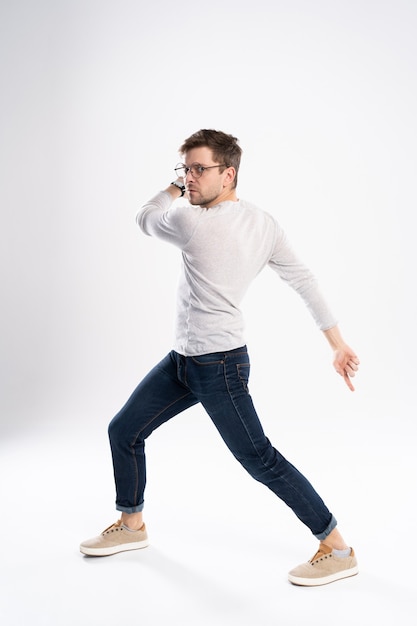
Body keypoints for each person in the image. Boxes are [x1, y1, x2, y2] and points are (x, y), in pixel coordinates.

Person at [80, 129, 360, 586]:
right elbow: (304, 280)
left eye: (198, 170)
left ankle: (338, 547)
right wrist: (337, 343)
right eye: (184, 170)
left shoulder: (191, 221)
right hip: (183, 362)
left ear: (228, 174)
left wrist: (169, 190)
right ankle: (132, 524)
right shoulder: (263, 222)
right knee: (124, 430)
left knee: (260, 459)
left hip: (218, 367)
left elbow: (145, 217)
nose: (188, 179)